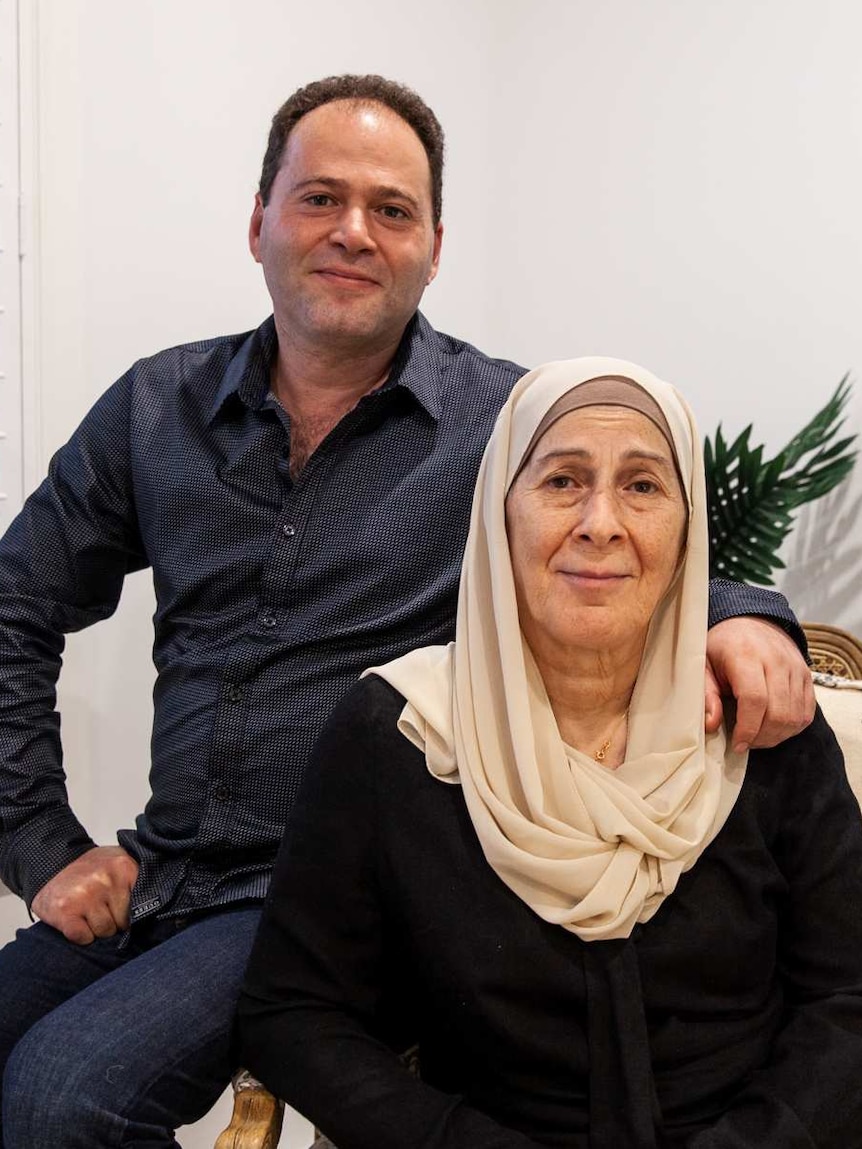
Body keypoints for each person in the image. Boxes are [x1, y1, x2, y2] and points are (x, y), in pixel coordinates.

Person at [0, 76, 812, 1146]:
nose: (352, 232)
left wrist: (748, 618)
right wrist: (43, 845)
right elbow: (15, 602)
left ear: (434, 246)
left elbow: (625, 541)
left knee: (62, 1099)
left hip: (329, 893)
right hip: (162, 868)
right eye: (318, 198)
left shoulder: (497, 424)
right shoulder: (156, 409)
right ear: (258, 224)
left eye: (391, 209)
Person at [238, 358, 862, 1148]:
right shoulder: (396, 733)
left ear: (686, 528)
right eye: (562, 480)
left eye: (642, 486)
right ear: (501, 514)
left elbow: (848, 993)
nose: (601, 522)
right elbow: (292, 1011)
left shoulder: (763, 725)